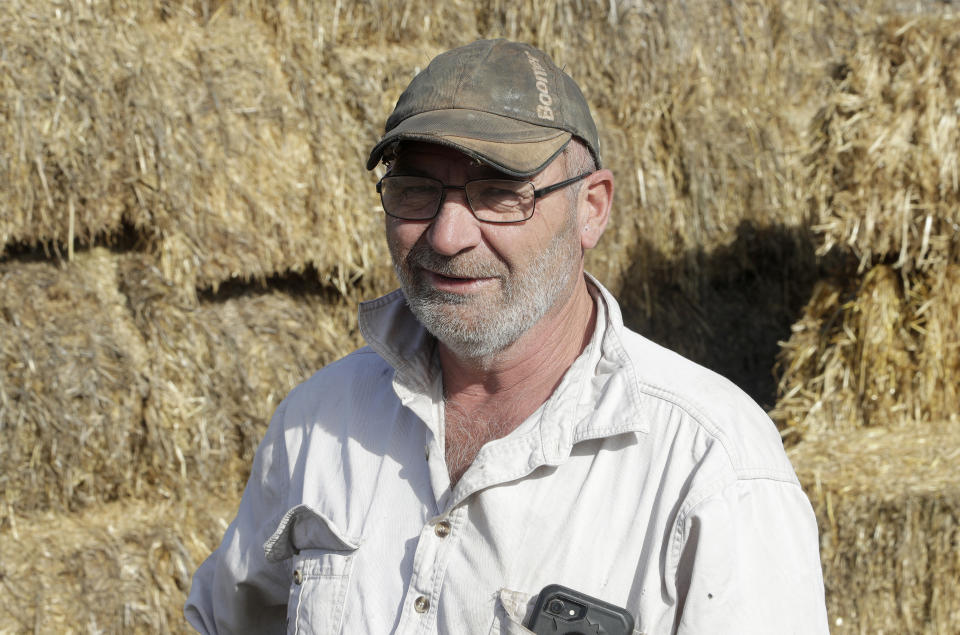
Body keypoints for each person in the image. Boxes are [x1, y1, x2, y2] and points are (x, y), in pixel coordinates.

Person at [185, 39, 829, 634]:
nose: (446, 236)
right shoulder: (317, 423)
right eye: (415, 192)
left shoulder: (709, 466)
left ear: (592, 209)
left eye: (499, 195)